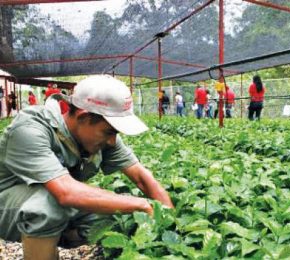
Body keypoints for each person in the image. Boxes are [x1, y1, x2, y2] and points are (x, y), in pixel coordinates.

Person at [0, 75, 174, 259]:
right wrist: (140, 204)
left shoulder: (104, 137)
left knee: (115, 216)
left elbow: (140, 177)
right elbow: (65, 192)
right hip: (6, 204)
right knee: (50, 203)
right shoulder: (30, 129)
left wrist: (169, 220)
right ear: (83, 117)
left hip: (41, 204)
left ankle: (51, 238)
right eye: (109, 131)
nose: (112, 140)